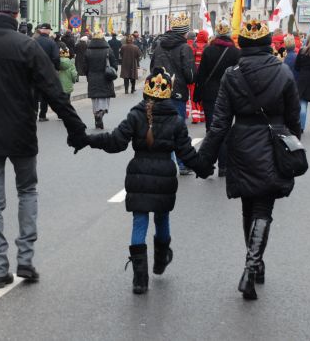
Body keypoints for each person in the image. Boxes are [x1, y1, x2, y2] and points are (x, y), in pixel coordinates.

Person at [0, 0, 88, 289]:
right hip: (21, 132)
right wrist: (76, 129)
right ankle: (26, 260)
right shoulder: (27, 46)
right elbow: (53, 91)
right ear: (17, 15)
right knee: (27, 191)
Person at [79, 68, 211, 294]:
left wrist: (88, 140)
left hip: (138, 174)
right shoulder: (176, 121)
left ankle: (139, 279)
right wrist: (204, 168)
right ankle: (161, 258)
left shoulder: (135, 115)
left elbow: (115, 142)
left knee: (139, 222)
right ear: (168, 93)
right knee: (162, 219)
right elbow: (186, 154)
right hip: (164, 178)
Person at [198, 19, 301, 301]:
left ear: (241, 45)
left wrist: (204, 160)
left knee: (248, 206)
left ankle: (253, 265)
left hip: (241, 143)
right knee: (263, 208)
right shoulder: (282, 72)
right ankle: (252, 267)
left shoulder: (232, 74)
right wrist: (294, 144)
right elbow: (294, 116)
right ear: (269, 43)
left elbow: (219, 123)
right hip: (273, 142)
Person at [150, 13, 196, 175]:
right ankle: (182, 164)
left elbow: (151, 69)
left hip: (158, 92)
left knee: (162, 129)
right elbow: (190, 75)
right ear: (185, 32)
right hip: (177, 94)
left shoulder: (159, 46)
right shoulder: (185, 48)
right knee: (179, 131)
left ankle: (165, 163)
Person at [193, 19, 240, 177]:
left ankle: (209, 163)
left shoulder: (208, 50)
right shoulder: (235, 52)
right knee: (225, 129)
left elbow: (201, 75)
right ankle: (224, 166)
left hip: (210, 94)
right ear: (228, 34)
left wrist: (197, 95)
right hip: (229, 94)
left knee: (212, 130)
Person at [84, 31, 117, 129]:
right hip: (106, 78)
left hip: (92, 78)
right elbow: (114, 64)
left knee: (95, 100)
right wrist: (113, 70)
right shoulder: (108, 50)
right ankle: (101, 114)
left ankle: (97, 120)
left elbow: (85, 67)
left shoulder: (88, 50)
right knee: (104, 99)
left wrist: (88, 75)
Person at [35, 23, 61, 122]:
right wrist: (57, 68)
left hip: (34, 70)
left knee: (34, 93)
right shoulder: (51, 43)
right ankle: (42, 115)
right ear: (48, 31)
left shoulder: (34, 41)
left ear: (40, 30)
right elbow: (56, 57)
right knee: (45, 94)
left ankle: (33, 114)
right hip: (47, 71)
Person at [188, 29, 209, 124]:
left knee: (193, 95)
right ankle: (203, 116)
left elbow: (190, 61)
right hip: (204, 76)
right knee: (203, 95)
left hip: (195, 74)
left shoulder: (194, 46)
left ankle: (195, 117)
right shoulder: (208, 47)